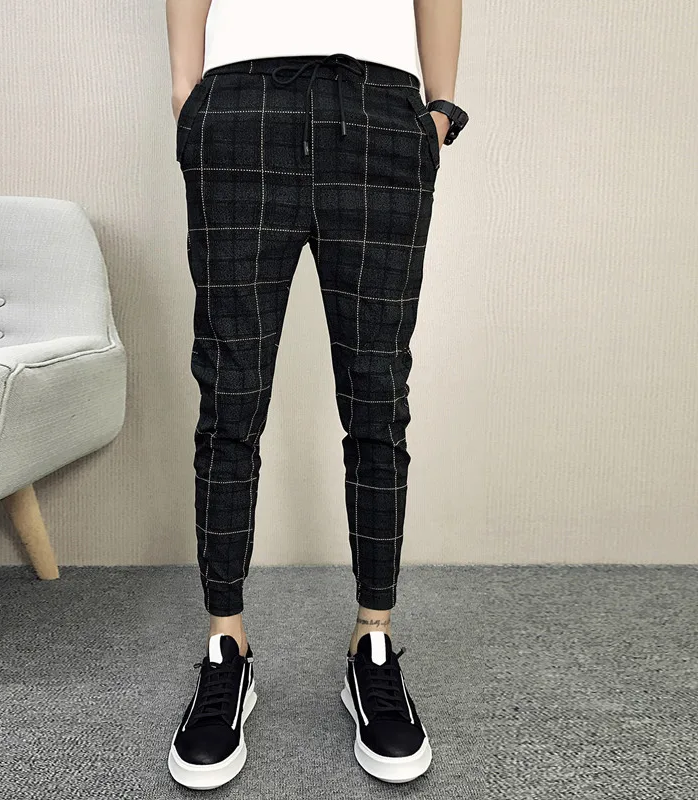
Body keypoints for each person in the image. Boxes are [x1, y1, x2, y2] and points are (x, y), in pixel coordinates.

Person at [165, 0, 468, 788]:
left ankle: (374, 642)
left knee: (377, 393)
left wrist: (438, 107)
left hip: (381, 112)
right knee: (231, 395)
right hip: (237, 107)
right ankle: (226, 646)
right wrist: (187, 93)